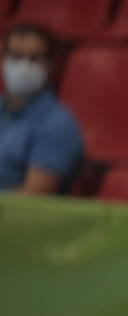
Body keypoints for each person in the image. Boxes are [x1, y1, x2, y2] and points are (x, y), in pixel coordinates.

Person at [0, 23, 83, 194]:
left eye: (35, 59)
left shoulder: (58, 125)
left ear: (50, 65)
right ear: (3, 61)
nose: (24, 67)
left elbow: (33, 198)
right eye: (16, 57)